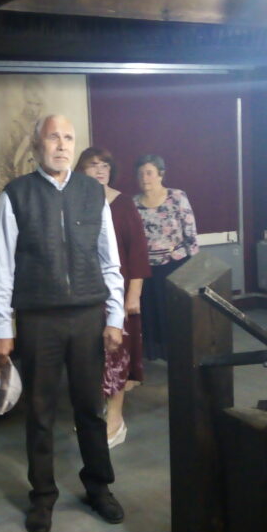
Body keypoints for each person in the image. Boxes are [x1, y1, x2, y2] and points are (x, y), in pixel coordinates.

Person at [0, 114, 126, 532]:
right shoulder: (17, 194)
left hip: (87, 315)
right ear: (37, 146)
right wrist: (2, 326)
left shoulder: (92, 192)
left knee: (90, 407)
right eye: (53, 137)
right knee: (40, 410)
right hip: (39, 318)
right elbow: (3, 266)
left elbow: (109, 258)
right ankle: (43, 495)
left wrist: (115, 316)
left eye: (68, 137)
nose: (62, 145)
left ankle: (98, 486)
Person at [76, 147, 150, 448]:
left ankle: (116, 420)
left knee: (115, 357)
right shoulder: (76, 202)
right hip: (84, 294)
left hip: (117, 294)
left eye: (105, 165)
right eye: (93, 165)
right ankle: (96, 412)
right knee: (88, 357)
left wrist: (134, 294)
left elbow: (138, 251)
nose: (99, 170)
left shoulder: (123, 204)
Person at [134, 154, 199, 361]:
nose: (145, 178)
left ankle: (181, 356)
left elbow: (191, 233)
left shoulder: (177, 197)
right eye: (140, 174)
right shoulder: (133, 203)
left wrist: (194, 270)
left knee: (176, 314)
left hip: (176, 266)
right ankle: (157, 354)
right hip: (147, 270)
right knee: (152, 314)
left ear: (161, 174)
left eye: (149, 173)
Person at [0, 77, 47, 193]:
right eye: (29, 103)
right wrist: (4, 195)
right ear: (23, 100)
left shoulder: (46, 128)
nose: (33, 109)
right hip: (18, 189)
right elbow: (2, 167)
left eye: (38, 104)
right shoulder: (14, 128)